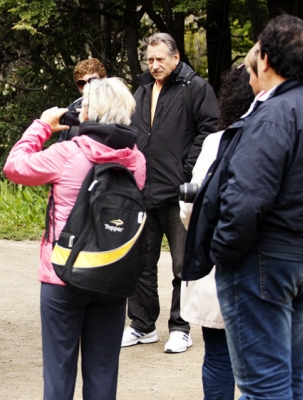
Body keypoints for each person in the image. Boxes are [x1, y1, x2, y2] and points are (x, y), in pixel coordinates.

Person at [181, 14, 303, 398]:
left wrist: (222, 252)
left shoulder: (270, 116)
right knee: (294, 377)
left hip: (268, 262)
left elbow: (245, 198)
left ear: (266, 61)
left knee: (264, 385)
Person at [4, 78, 146, 399]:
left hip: (62, 277)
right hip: (111, 275)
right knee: (103, 375)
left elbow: (14, 167)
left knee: (59, 374)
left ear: (86, 113)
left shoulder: (67, 153)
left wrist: (42, 125)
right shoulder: (136, 160)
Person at [124, 32, 219, 354]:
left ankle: (180, 327)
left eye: (160, 59)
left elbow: (211, 129)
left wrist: (187, 169)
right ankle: (141, 324)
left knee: (182, 265)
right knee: (140, 262)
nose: (154, 65)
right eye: (149, 60)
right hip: (143, 190)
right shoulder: (141, 90)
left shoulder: (196, 88)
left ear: (175, 57)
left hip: (179, 192)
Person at [177, 64, 257, 400]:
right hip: (263, 265)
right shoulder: (278, 137)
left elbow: (190, 207)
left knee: (218, 356)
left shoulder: (214, 143)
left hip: (215, 261)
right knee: (262, 362)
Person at [58, 58, 107, 141]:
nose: (87, 86)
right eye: (82, 83)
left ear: (103, 81)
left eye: (93, 80)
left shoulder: (117, 105)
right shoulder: (72, 110)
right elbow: (63, 143)